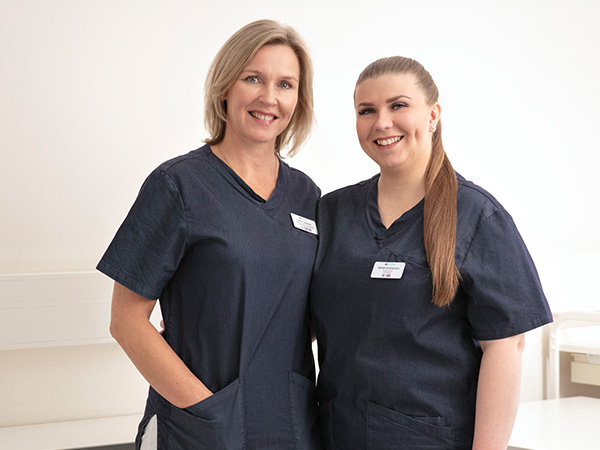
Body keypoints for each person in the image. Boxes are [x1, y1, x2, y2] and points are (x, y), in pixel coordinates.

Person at [98, 20, 322, 449]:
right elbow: (126, 321)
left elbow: (299, 311)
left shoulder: (306, 195)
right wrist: (207, 411)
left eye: (285, 84)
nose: (269, 97)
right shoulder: (178, 185)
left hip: (288, 425)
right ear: (224, 87)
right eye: (252, 78)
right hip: (199, 428)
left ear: (299, 99)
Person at [309, 56, 553, 449]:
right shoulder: (332, 212)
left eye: (398, 105)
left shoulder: (476, 215)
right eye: (366, 110)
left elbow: (506, 346)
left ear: (433, 115)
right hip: (337, 434)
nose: (382, 122)